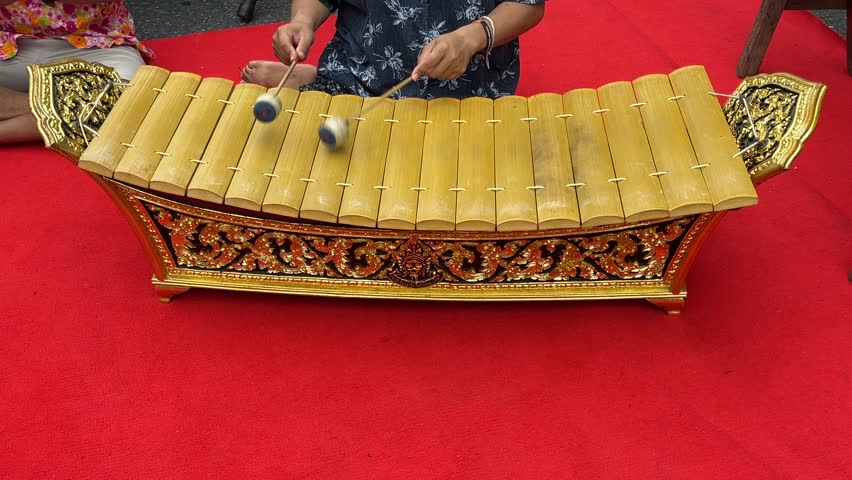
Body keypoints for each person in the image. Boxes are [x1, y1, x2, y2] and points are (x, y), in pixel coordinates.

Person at [242, 0, 546, 100]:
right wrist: (302, 20)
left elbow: (528, 4)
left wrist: (471, 39)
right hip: (363, 70)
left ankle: (317, 80)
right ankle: (323, 80)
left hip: (470, 85)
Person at [0, 0, 152, 144]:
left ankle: (20, 107)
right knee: (109, 108)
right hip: (7, 43)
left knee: (130, 99)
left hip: (98, 44)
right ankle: (77, 109)